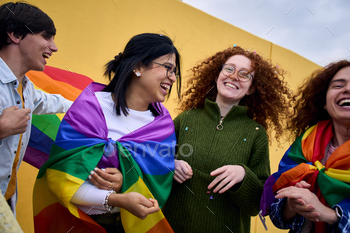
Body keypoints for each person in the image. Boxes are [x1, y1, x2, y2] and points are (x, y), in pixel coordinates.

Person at [33, 33, 182, 233]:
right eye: (168, 68)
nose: (172, 78)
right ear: (137, 66)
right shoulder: (89, 107)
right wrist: (118, 197)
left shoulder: (162, 127)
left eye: (175, 72)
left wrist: (125, 182)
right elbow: (60, 177)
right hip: (75, 224)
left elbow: (157, 185)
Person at [162, 46, 291, 232]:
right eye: (229, 69)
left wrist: (243, 175)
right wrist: (170, 164)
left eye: (245, 74)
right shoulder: (186, 118)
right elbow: (154, 161)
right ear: (217, 76)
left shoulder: (256, 133)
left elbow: (258, 204)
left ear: (251, 88)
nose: (234, 76)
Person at [260, 60, 350, 232]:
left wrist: (331, 215)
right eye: (338, 85)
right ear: (324, 102)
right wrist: (292, 205)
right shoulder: (305, 143)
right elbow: (278, 218)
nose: (347, 89)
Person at [0, 2, 73, 213]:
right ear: (15, 34)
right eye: (46, 36)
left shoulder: (27, 89)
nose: (54, 47)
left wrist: (96, 104)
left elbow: (55, 102)